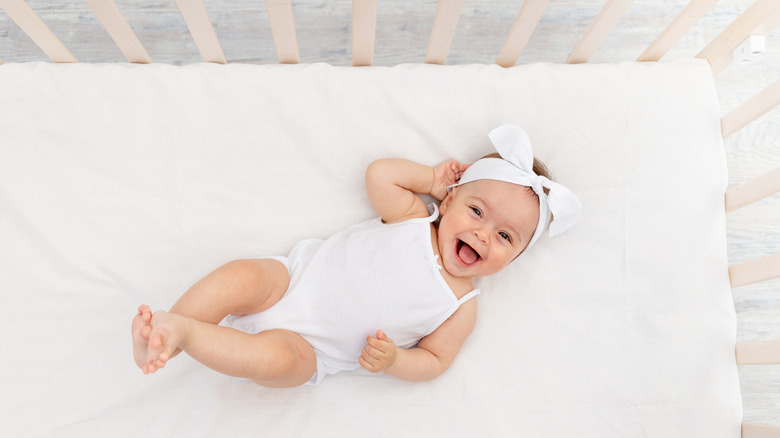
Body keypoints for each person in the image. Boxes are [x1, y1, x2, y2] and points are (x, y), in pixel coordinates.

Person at [131, 124, 581, 387]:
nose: (482, 234)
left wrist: (396, 361)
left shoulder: (461, 308)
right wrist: (430, 178)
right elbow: (380, 175)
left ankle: (185, 335)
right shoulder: (413, 218)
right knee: (242, 276)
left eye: (505, 236)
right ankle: (166, 333)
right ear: (449, 201)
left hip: (314, 350)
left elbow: (437, 361)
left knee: (277, 362)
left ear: (516, 256)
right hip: (291, 282)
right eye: (476, 210)